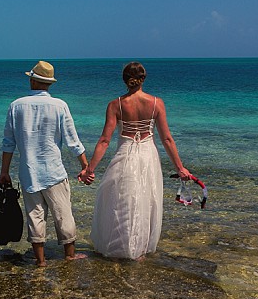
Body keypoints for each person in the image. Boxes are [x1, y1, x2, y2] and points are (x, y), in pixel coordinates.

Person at [78, 62, 191, 260]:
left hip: (125, 155)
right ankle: (138, 250)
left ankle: (120, 248)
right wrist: (180, 168)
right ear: (143, 78)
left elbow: (104, 140)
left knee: (121, 200)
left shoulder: (116, 105)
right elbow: (167, 139)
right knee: (145, 200)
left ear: (124, 79)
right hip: (148, 156)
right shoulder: (156, 103)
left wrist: (90, 169)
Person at [0, 60, 90, 266]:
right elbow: (72, 140)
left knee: (35, 216)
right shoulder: (60, 105)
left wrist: (4, 171)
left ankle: (40, 261)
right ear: (49, 83)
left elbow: (8, 143)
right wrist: (85, 166)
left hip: (28, 171)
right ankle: (69, 255)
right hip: (54, 172)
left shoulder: (16, 106)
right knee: (63, 214)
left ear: (32, 80)